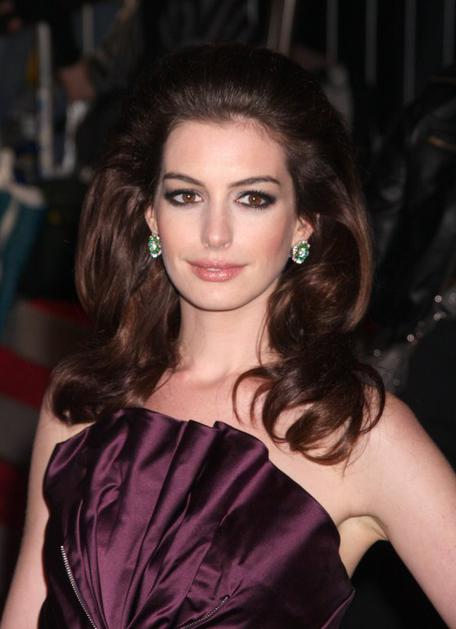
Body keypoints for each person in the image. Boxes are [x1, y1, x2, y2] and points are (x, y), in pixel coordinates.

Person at [2, 43, 456, 628]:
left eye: (252, 198)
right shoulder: (83, 402)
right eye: (186, 195)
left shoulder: (355, 431)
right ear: (151, 216)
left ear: (303, 223)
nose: (215, 233)